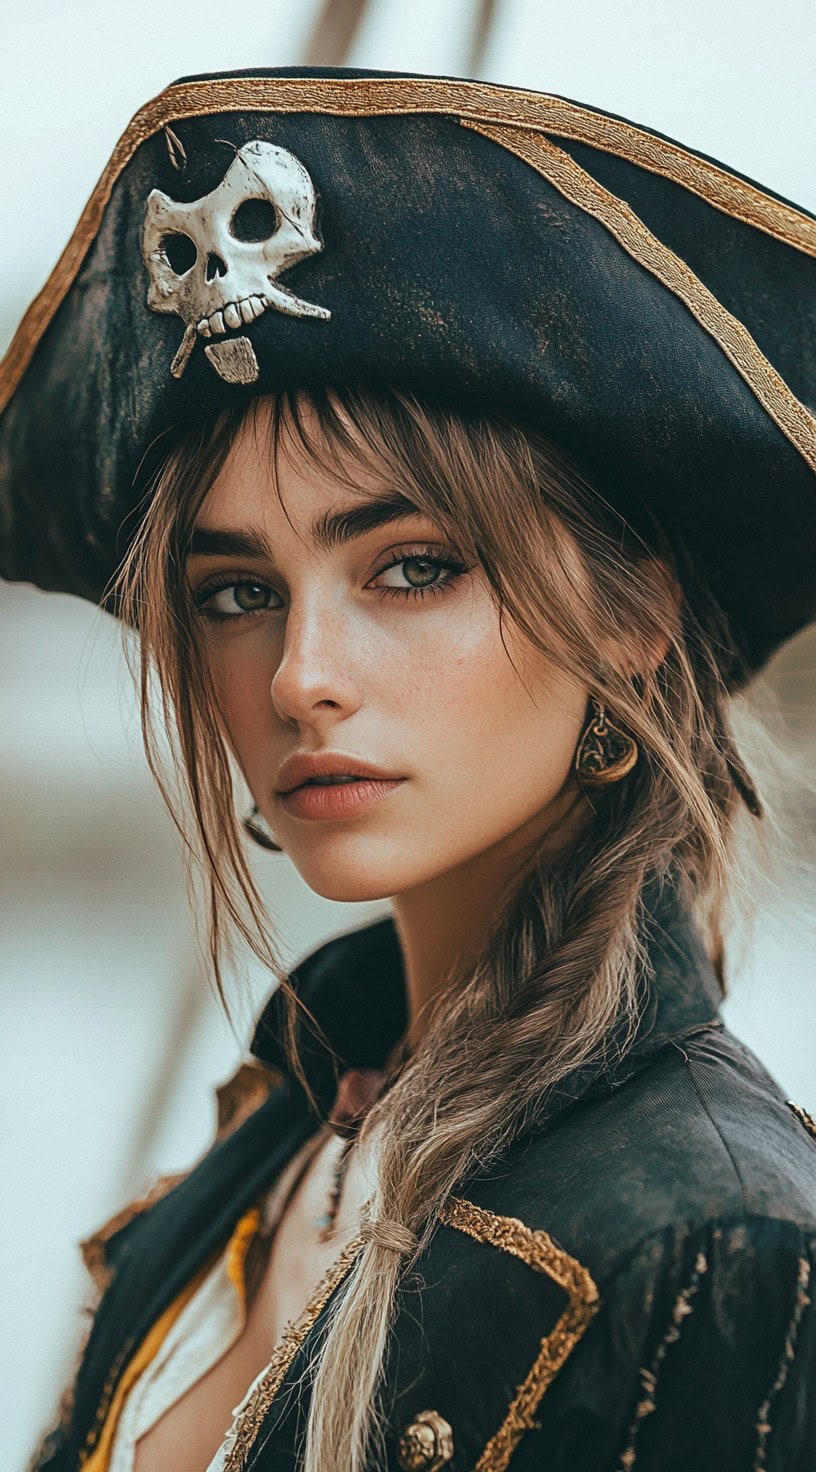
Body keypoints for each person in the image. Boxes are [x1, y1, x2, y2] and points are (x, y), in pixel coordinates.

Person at [2, 63, 816, 1472]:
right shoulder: (283, 1141)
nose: (301, 674)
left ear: (631, 616)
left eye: (413, 568)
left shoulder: (713, 1250)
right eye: (236, 592)